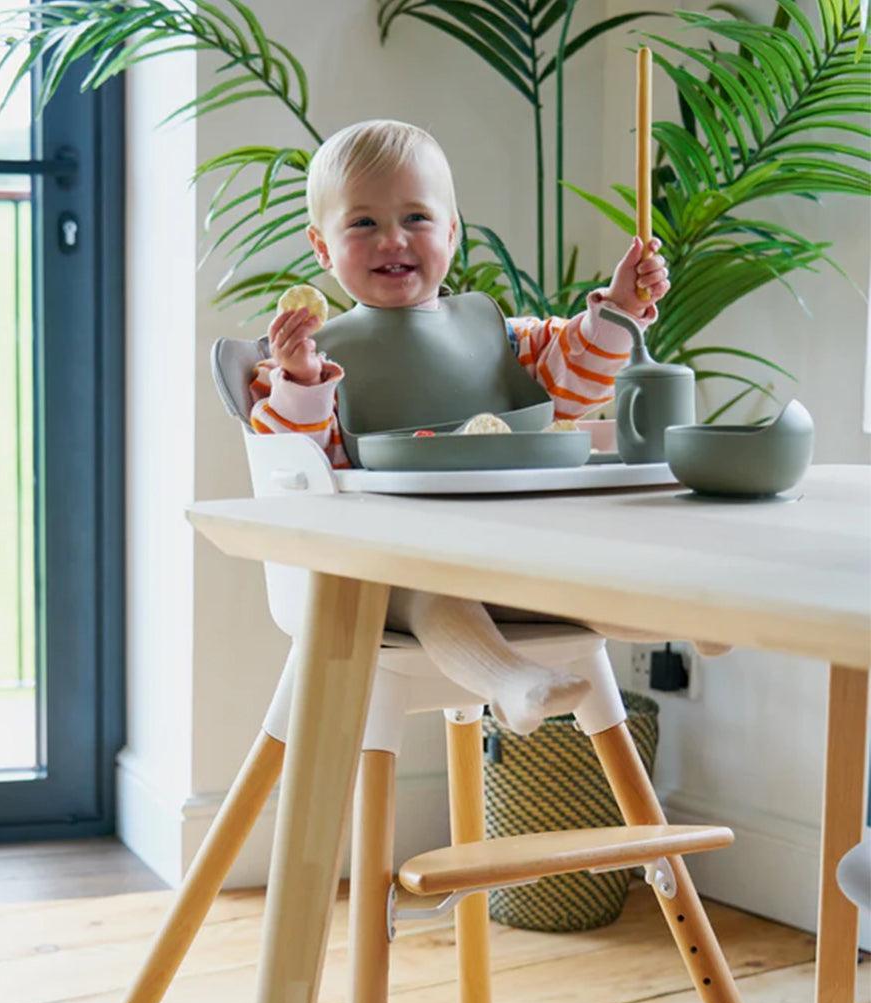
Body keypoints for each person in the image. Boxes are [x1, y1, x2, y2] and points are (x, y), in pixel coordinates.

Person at [249, 119, 672, 735]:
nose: (393, 239)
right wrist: (302, 381)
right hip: (389, 575)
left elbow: (572, 380)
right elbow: (298, 471)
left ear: (451, 231)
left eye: (416, 218)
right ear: (322, 248)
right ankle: (515, 682)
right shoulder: (315, 361)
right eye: (363, 223)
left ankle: (712, 620)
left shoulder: (498, 333)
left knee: (596, 572)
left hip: (508, 553)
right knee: (432, 594)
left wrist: (622, 308)